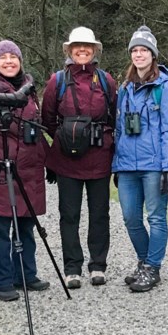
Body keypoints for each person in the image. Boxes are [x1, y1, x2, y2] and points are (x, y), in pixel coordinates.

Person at [0, 40, 50, 302]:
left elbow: (35, 130)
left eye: (12, 57)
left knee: (26, 224)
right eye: (2, 58)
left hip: (28, 170)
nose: (8, 61)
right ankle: (2, 281)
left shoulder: (29, 89)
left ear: (20, 61)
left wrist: (49, 163)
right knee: (0, 227)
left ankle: (26, 274)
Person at [42, 26, 117, 289]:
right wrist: (68, 138)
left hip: (99, 157)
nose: (82, 50)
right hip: (67, 159)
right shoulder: (57, 81)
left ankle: (98, 265)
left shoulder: (107, 81)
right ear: (70, 51)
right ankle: (72, 268)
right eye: (77, 46)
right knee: (69, 214)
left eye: (87, 46)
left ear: (95, 50)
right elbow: (47, 119)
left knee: (100, 213)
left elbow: (114, 117)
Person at [111, 26, 168, 293]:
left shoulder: (165, 88)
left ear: (153, 54)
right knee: (130, 217)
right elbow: (119, 129)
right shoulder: (125, 88)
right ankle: (144, 262)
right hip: (127, 166)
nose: (139, 54)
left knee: (156, 218)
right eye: (135, 50)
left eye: (144, 50)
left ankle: (153, 268)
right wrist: (117, 164)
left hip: (154, 166)